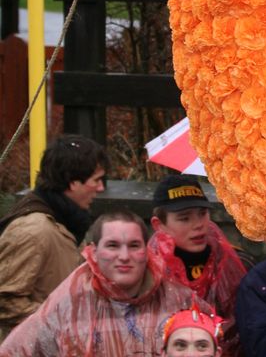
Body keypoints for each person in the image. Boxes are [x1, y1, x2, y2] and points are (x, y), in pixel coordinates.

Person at [0, 209, 211, 356]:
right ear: (93, 252)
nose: (124, 256)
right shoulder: (69, 304)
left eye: (134, 245)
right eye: (113, 245)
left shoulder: (179, 301)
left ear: (147, 252)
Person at [0, 133, 108, 341]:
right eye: (96, 180)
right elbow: (4, 299)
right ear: (72, 182)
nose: (101, 188)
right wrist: (60, 323)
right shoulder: (34, 230)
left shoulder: (66, 223)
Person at [148, 173, 246, 357]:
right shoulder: (146, 270)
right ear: (158, 224)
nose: (199, 225)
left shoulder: (233, 261)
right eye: (185, 218)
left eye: (202, 214)